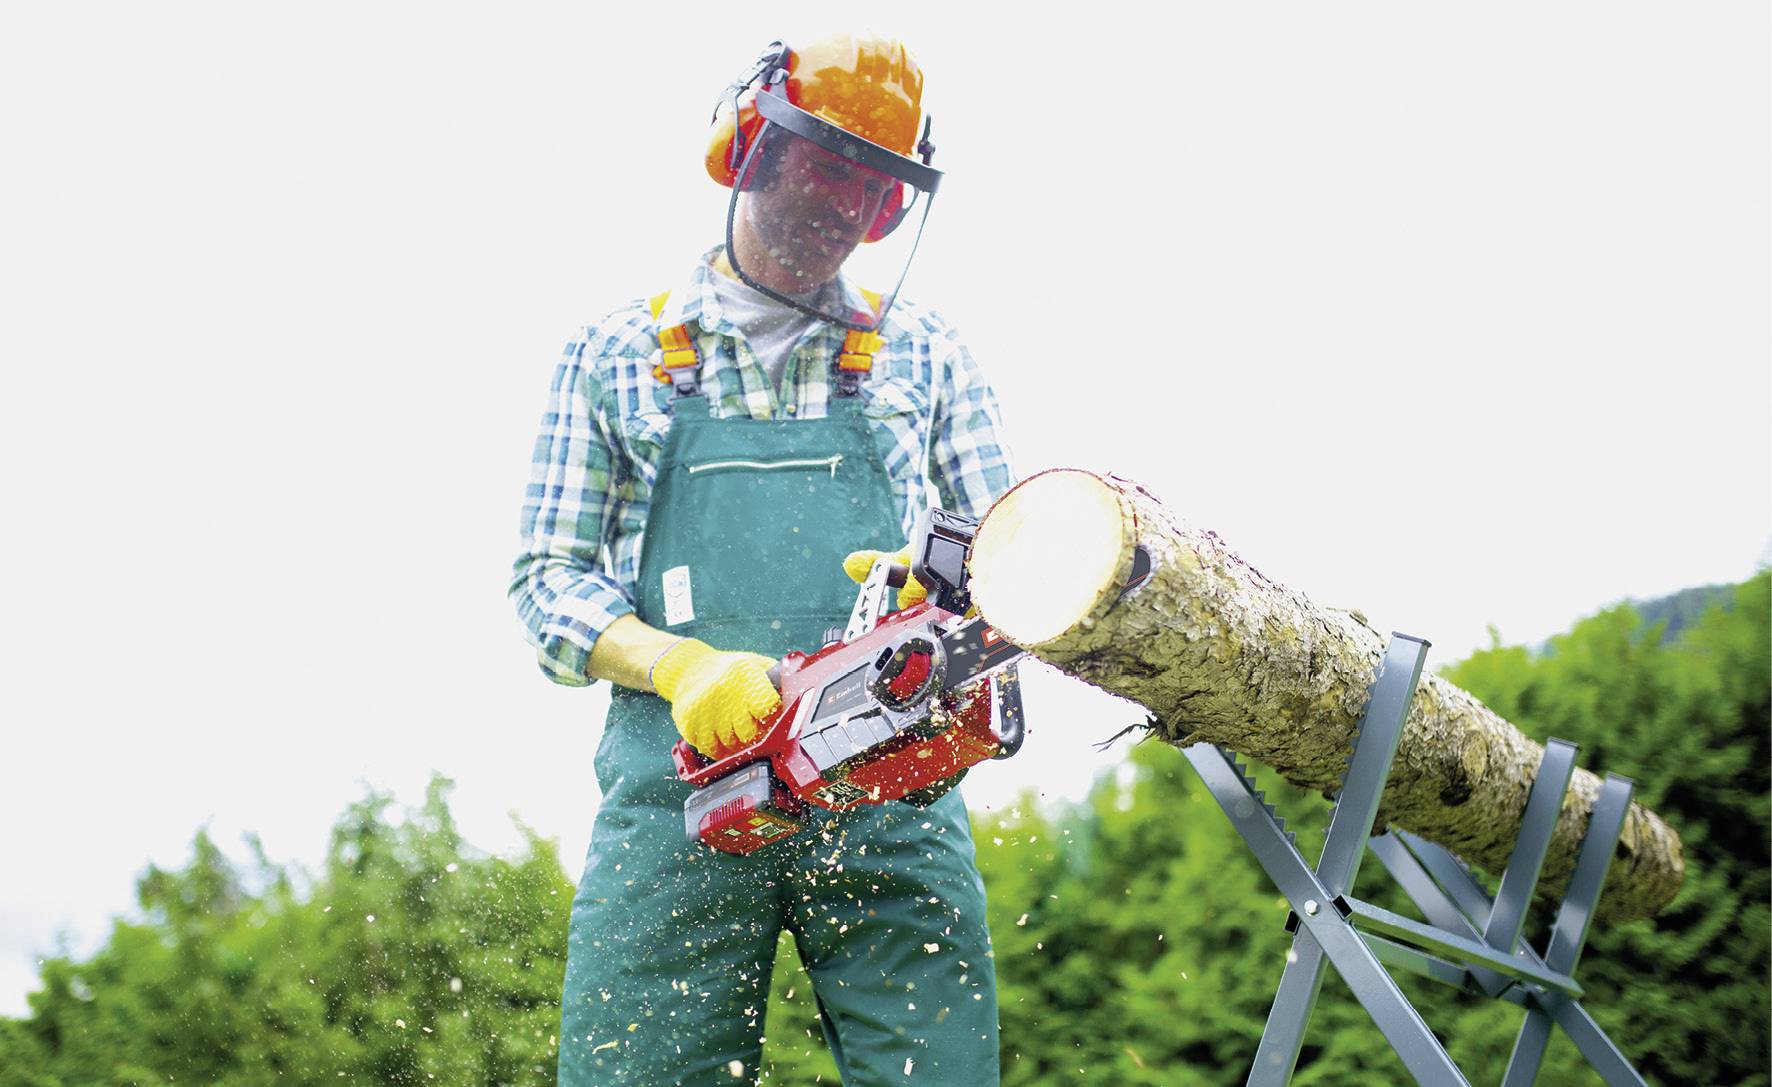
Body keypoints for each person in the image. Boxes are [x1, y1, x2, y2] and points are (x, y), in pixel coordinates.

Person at [510, 33, 1016, 1085]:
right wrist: (679, 666)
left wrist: (948, 594)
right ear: (748, 146)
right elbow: (544, 583)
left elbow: (1013, 569)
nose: (839, 206)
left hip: (890, 805)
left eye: (870, 187)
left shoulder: (928, 354)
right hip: (676, 811)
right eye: (824, 166)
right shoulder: (615, 354)